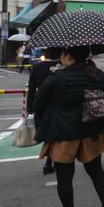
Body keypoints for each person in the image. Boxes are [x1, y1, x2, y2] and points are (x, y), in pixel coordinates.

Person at [32, 45, 104, 207]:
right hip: (91, 130)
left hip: (63, 134)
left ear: (68, 56)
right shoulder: (95, 75)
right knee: (95, 171)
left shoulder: (56, 78)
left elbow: (37, 105)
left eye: (62, 54)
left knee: (64, 177)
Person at [26, 47, 61, 175]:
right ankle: (55, 161)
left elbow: (31, 90)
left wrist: (29, 107)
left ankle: (49, 161)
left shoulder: (37, 68)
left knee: (48, 135)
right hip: (59, 104)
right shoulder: (62, 66)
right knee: (58, 134)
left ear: (45, 54)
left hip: (42, 105)